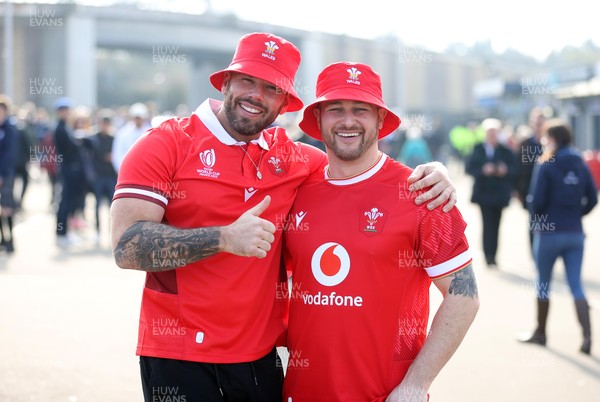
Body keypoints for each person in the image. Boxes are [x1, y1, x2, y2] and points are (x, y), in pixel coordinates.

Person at [110, 33, 457, 402]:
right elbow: (126, 247)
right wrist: (223, 238)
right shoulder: (165, 143)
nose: (256, 96)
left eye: (271, 88)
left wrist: (432, 173)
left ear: (285, 103)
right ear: (226, 81)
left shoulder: (294, 159)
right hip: (178, 356)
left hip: (259, 359)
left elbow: (359, 168)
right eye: (247, 81)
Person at [283, 62, 479, 402]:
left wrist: (416, 384)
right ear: (317, 120)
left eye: (360, 109)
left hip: (384, 395)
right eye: (335, 110)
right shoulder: (296, 188)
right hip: (299, 393)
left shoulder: (422, 192)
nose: (348, 120)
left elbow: (464, 297)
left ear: (379, 119)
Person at [520, 120, 597, 355]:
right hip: (575, 232)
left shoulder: (545, 163)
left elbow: (537, 201)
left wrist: (536, 220)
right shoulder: (580, 162)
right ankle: (587, 337)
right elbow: (592, 198)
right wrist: (576, 215)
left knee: (543, 283)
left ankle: (541, 333)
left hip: (549, 233)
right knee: (576, 285)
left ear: (552, 138)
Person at [466, 118, 516, 267]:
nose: (492, 135)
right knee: (487, 224)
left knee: (497, 224)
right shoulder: (478, 148)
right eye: (489, 132)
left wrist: (505, 170)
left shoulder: (505, 150)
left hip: (499, 194)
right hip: (484, 193)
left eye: (494, 132)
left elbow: (515, 169)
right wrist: (483, 170)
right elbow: (469, 168)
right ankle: (488, 256)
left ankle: (494, 255)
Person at [83, 111, 118, 242]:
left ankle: (111, 232)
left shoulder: (114, 138)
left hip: (110, 176)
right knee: (97, 205)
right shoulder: (94, 138)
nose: (105, 126)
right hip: (99, 176)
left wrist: (113, 158)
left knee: (112, 206)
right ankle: (97, 231)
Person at [515, 107, 545, 255]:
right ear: (531, 123)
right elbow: (518, 168)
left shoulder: (551, 143)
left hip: (550, 191)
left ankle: (546, 254)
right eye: (536, 121)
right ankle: (536, 255)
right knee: (534, 223)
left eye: (541, 121)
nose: (539, 124)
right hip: (530, 191)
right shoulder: (525, 144)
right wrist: (517, 190)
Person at [0, 95, 18, 253]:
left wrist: (2, 175)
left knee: (7, 208)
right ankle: (2, 239)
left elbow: (9, 156)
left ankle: (11, 240)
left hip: (6, 175)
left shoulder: (10, 130)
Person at [111, 102, 151, 172]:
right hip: (128, 171)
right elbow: (118, 153)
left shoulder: (150, 132)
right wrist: (123, 170)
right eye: (136, 118)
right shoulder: (123, 133)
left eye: (140, 118)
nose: (138, 120)